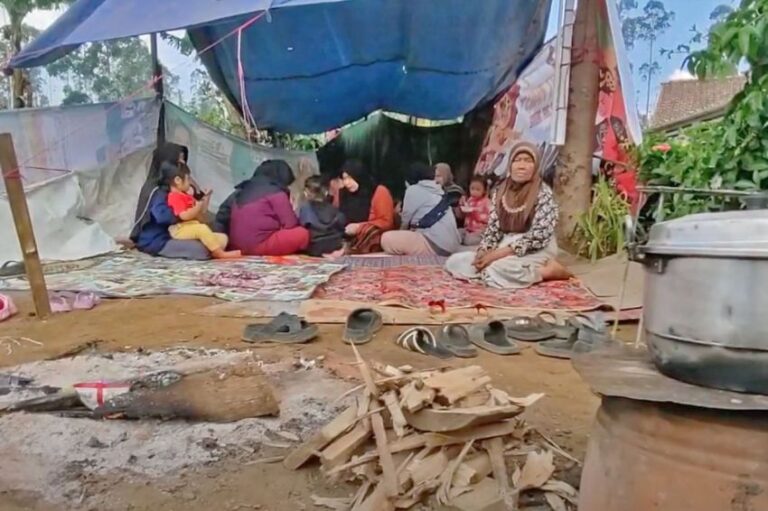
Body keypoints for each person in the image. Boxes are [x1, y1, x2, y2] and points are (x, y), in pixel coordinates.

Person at [445, 141, 570, 289]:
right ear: (510, 165)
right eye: (517, 160)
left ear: (536, 166)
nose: (521, 166)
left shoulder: (543, 193)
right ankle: (495, 271)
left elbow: (539, 235)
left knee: (496, 270)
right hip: (504, 244)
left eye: (528, 161)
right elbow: (493, 229)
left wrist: (496, 255)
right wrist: (484, 251)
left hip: (534, 247)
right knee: (455, 262)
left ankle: (547, 271)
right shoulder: (500, 192)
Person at [130, 142, 210, 260]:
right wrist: (184, 214)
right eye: (179, 161)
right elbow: (163, 217)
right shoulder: (156, 190)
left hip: (175, 233)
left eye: (183, 160)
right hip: (156, 240)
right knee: (202, 250)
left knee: (212, 239)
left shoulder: (178, 187)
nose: (182, 164)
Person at [215, 160, 310, 256]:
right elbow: (291, 224)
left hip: (235, 246)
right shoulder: (276, 193)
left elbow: (222, 216)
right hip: (258, 245)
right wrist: (294, 207)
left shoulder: (241, 191)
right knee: (303, 233)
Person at [163, 162, 242, 259]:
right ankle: (219, 253)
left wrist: (206, 197)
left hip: (192, 226)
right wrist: (196, 207)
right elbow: (184, 216)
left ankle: (211, 250)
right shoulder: (174, 197)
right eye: (188, 179)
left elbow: (202, 211)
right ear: (178, 180)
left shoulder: (186, 196)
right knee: (202, 229)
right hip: (180, 229)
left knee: (223, 238)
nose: (189, 183)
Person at [381, 162, 460, 256]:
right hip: (451, 246)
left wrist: (400, 231)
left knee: (386, 238)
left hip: (434, 244)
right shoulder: (437, 188)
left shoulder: (413, 190)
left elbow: (405, 222)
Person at [332, 160, 395, 254]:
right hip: (345, 235)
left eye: (350, 178)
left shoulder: (379, 191)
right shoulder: (342, 193)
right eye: (344, 178)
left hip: (368, 237)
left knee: (371, 231)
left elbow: (386, 222)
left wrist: (359, 227)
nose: (347, 183)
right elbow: (334, 214)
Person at [299, 176, 346, 257]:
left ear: (306, 193)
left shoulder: (305, 208)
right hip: (335, 243)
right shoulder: (333, 208)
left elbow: (302, 225)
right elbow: (342, 223)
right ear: (326, 192)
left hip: (316, 246)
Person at [459, 176, 491, 246]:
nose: (474, 192)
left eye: (478, 189)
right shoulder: (470, 200)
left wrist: (475, 212)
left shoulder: (486, 202)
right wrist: (462, 204)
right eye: (472, 189)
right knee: (457, 233)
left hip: (479, 230)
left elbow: (488, 218)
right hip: (468, 228)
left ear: (484, 190)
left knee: (469, 241)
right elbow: (465, 212)